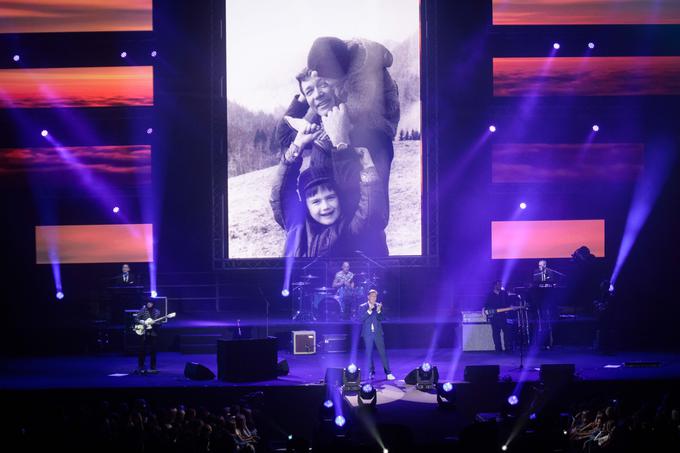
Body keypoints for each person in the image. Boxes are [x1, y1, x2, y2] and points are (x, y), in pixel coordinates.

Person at [275, 36, 398, 256]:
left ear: (342, 84)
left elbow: (370, 213)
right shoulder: (323, 128)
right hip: (322, 254)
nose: (318, 94)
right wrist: (301, 104)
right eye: (309, 90)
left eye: (323, 83)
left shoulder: (373, 137)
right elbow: (283, 137)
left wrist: (342, 144)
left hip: (361, 260)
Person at [270, 104, 387, 257]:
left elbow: (370, 213)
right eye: (316, 201)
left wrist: (368, 168)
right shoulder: (297, 226)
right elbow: (280, 194)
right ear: (305, 205)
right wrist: (297, 146)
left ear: (340, 198)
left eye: (330, 197)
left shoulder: (350, 228)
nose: (325, 207)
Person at [359, 289, 395, 381]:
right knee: (369, 353)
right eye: (372, 296)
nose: (374, 298)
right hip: (367, 334)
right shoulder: (362, 306)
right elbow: (361, 318)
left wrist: (379, 311)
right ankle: (371, 372)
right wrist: (369, 311)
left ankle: (388, 373)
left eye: (375, 296)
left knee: (383, 353)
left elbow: (382, 318)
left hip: (378, 333)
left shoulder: (379, 306)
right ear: (368, 296)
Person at [483, 281, 515, 353]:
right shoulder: (490, 295)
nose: (500, 286)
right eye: (498, 284)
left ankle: (508, 348)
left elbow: (508, 303)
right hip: (495, 317)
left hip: (504, 316)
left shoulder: (504, 294)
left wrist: (510, 307)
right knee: (496, 334)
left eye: (501, 284)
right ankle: (498, 349)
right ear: (494, 285)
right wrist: (488, 314)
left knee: (507, 333)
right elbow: (487, 306)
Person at [135, 298, 161, 374]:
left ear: (153, 304)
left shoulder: (157, 312)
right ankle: (141, 365)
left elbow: (159, 322)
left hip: (153, 333)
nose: (149, 304)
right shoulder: (143, 310)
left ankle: (153, 367)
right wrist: (141, 321)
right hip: (144, 332)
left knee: (153, 350)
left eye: (150, 303)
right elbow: (136, 318)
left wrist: (155, 323)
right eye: (148, 303)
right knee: (142, 349)